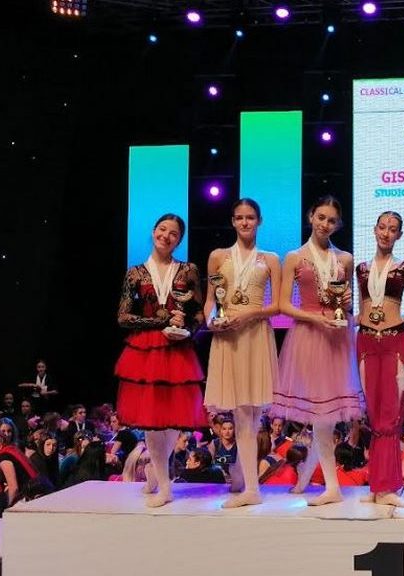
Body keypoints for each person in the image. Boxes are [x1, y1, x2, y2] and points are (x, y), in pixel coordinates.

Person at [270, 196, 365, 506]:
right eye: (321, 217)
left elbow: (347, 304)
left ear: (338, 224)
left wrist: (346, 305)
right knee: (319, 417)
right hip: (308, 337)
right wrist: (314, 318)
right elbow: (283, 304)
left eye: (331, 220)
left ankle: (318, 484)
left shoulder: (345, 259)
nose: (325, 224)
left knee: (325, 419)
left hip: (336, 338)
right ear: (311, 216)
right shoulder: (294, 257)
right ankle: (328, 485)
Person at [114, 214, 206, 507]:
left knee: (175, 419)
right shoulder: (135, 273)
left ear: (180, 240)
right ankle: (165, 487)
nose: (166, 236)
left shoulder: (188, 270)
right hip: (146, 351)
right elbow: (123, 317)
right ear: (154, 231)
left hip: (178, 349)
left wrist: (187, 327)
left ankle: (156, 473)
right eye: (163, 230)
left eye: (174, 233)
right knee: (152, 422)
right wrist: (160, 321)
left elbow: (199, 313)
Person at [202, 198, 281, 508]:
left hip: (256, 334)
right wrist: (212, 321)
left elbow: (278, 305)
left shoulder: (271, 259)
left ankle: (250, 486)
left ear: (259, 221)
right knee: (239, 413)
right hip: (228, 336)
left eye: (250, 217)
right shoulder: (218, 256)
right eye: (239, 217)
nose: (245, 222)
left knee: (252, 413)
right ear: (233, 221)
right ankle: (246, 482)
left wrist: (249, 315)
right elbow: (211, 300)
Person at [356, 211, 404, 507]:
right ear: (374, 230)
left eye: (392, 229)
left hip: (395, 340)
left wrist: (402, 319)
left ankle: (388, 487)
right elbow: (361, 310)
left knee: (391, 413)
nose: (386, 233)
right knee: (374, 413)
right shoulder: (361, 269)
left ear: (400, 234)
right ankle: (378, 486)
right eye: (382, 227)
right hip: (365, 340)